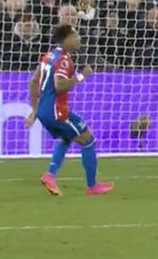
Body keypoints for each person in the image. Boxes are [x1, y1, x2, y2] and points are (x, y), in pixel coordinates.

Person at [22, 24, 113, 197]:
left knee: (66, 138)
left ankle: (50, 175)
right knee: (88, 140)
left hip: (45, 112)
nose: (78, 39)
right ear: (66, 39)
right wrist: (81, 76)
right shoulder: (64, 59)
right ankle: (92, 186)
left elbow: (33, 82)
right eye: (75, 35)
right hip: (57, 111)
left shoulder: (48, 57)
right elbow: (59, 85)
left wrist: (35, 110)